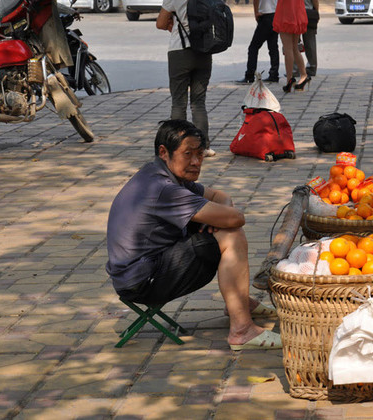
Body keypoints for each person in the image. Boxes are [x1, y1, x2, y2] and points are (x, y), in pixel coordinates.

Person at [106, 120, 281, 351]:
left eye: (200, 154)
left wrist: (216, 218)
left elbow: (220, 196)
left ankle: (239, 304)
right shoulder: (163, 189)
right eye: (188, 154)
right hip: (142, 282)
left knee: (222, 228)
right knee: (231, 236)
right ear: (163, 152)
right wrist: (219, 219)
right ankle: (241, 330)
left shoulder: (162, 174)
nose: (196, 162)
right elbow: (236, 218)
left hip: (138, 272)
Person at [156, 1, 216, 157]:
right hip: (204, 52)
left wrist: (174, 24)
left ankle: (177, 147)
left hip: (180, 52)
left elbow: (160, 23)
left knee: (178, 103)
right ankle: (203, 147)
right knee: (198, 103)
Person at [236, 0, 280, 84]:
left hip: (265, 14)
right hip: (275, 14)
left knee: (253, 47)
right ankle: (274, 74)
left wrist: (256, 12)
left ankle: (250, 74)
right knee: (273, 47)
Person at [272, 0, 310, 92]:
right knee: (294, 48)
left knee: (288, 48)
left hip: (286, 13)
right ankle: (303, 75)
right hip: (296, 13)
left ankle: (290, 79)